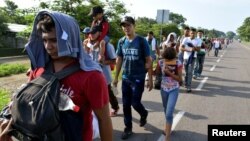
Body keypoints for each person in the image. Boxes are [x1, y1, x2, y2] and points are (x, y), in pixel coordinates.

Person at [25, 10, 113, 141]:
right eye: (44, 40)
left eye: (54, 40)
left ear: (69, 38)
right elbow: (29, 102)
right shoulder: (39, 69)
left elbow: (104, 120)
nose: (48, 46)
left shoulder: (91, 76)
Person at [113, 16, 153, 140]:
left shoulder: (141, 41)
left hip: (139, 78)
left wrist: (150, 79)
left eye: (128, 25)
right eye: (124, 26)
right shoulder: (121, 41)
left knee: (135, 103)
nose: (126, 28)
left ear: (134, 26)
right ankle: (128, 128)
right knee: (125, 105)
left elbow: (149, 60)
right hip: (126, 78)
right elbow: (119, 59)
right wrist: (115, 77)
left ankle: (143, 113)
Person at [83, 25, 119, 117]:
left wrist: (103, 61)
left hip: (104, 74)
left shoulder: (107, 45)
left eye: (94, 33)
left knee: (108, 92)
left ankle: (115, 107)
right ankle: (94, 112)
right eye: (90, 33)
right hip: (90, 74)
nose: (91, 35)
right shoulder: (86, 43)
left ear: (99, 33)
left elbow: (115, 61)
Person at [154, 47, 182, 141]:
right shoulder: (161, 62)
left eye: (170, 59)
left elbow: (179, 79)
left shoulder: (178, 63)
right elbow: (156, 73)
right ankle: (168, 126)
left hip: (174, 89)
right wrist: (151, 68)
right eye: (166, 59)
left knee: (169, 113)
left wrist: (169, 72)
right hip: (163, 89)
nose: (168, 61)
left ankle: (167, 137)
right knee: (166, 110)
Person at [181, 28, 201, 93]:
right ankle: (186, 83)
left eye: (194, 33)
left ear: (195, 33)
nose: (192, 34)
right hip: (185, 57)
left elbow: (198, 50)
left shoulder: (198, 40)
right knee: (186, 72)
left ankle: (189, 87)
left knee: (190, 72)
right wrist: (189, 49)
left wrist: (192, 46)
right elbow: (181, 48)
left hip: (193, 58)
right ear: (189, 33)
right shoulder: (186, 39)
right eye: (191, 33)